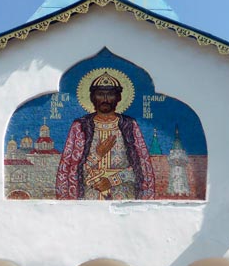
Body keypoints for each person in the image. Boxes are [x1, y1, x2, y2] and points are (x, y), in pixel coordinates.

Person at [56, 71, 155, 199]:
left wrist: (112, 180)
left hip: (122, 194)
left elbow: (141, 168)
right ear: (92, 97)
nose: (105, 99)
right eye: (100, 94)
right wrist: (97, 155)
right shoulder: (80, 126)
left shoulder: (129, 126)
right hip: (89, 196)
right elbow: (70, 169)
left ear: (119, 98)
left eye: (111, 95)